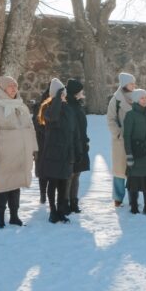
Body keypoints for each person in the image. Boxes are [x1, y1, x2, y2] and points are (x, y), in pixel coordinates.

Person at [0, 76, 38, 228]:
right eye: (10, 86)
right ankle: (0, 217)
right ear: (2, 89)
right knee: (3, 186)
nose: (14, 88)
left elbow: (30, 130)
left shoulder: (22, 107)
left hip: (21, 155)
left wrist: (34, 149)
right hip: (3, 155)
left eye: (15, 85)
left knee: (16, 185)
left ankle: (14, 216)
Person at [37, 78, 77, 223]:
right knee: (52, 182)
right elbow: (53, 117)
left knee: (63, 183)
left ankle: (61, 210)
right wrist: (56, 99)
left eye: (63, 93)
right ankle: (52, 211)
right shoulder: (48, 108)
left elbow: (72, 130)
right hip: (53, 152)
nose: (63, 95)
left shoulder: (67, 108)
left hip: (66, 151)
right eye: (61, 93)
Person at [106, 72, 136, 207]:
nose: (134, 86)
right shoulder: (116, 100)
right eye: (131, 83)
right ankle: (118, 198)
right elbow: (110, 119)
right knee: (119, 170)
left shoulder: (137, 97)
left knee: (133, 170)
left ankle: (133, 197)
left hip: (135, 140)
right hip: (121, 141)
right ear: (124, 84)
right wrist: (118, 134)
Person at [65, 79, 90, 214]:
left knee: (77, 174)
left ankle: (74, 201)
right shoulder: (69, 106)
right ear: (75, 93)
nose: (82, 93)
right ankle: (66, 202)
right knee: (70, 174)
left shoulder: (77, 105)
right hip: (72, 144)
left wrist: (85, 141)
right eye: (80, 91)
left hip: (81, 143)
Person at [32, 85, 50, 204]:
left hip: (47, 143)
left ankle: (45, 194)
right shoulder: (40, 107)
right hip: (42, 143)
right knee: (43, 171)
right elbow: (36, 124)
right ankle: (43, 194)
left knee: (47, 171)